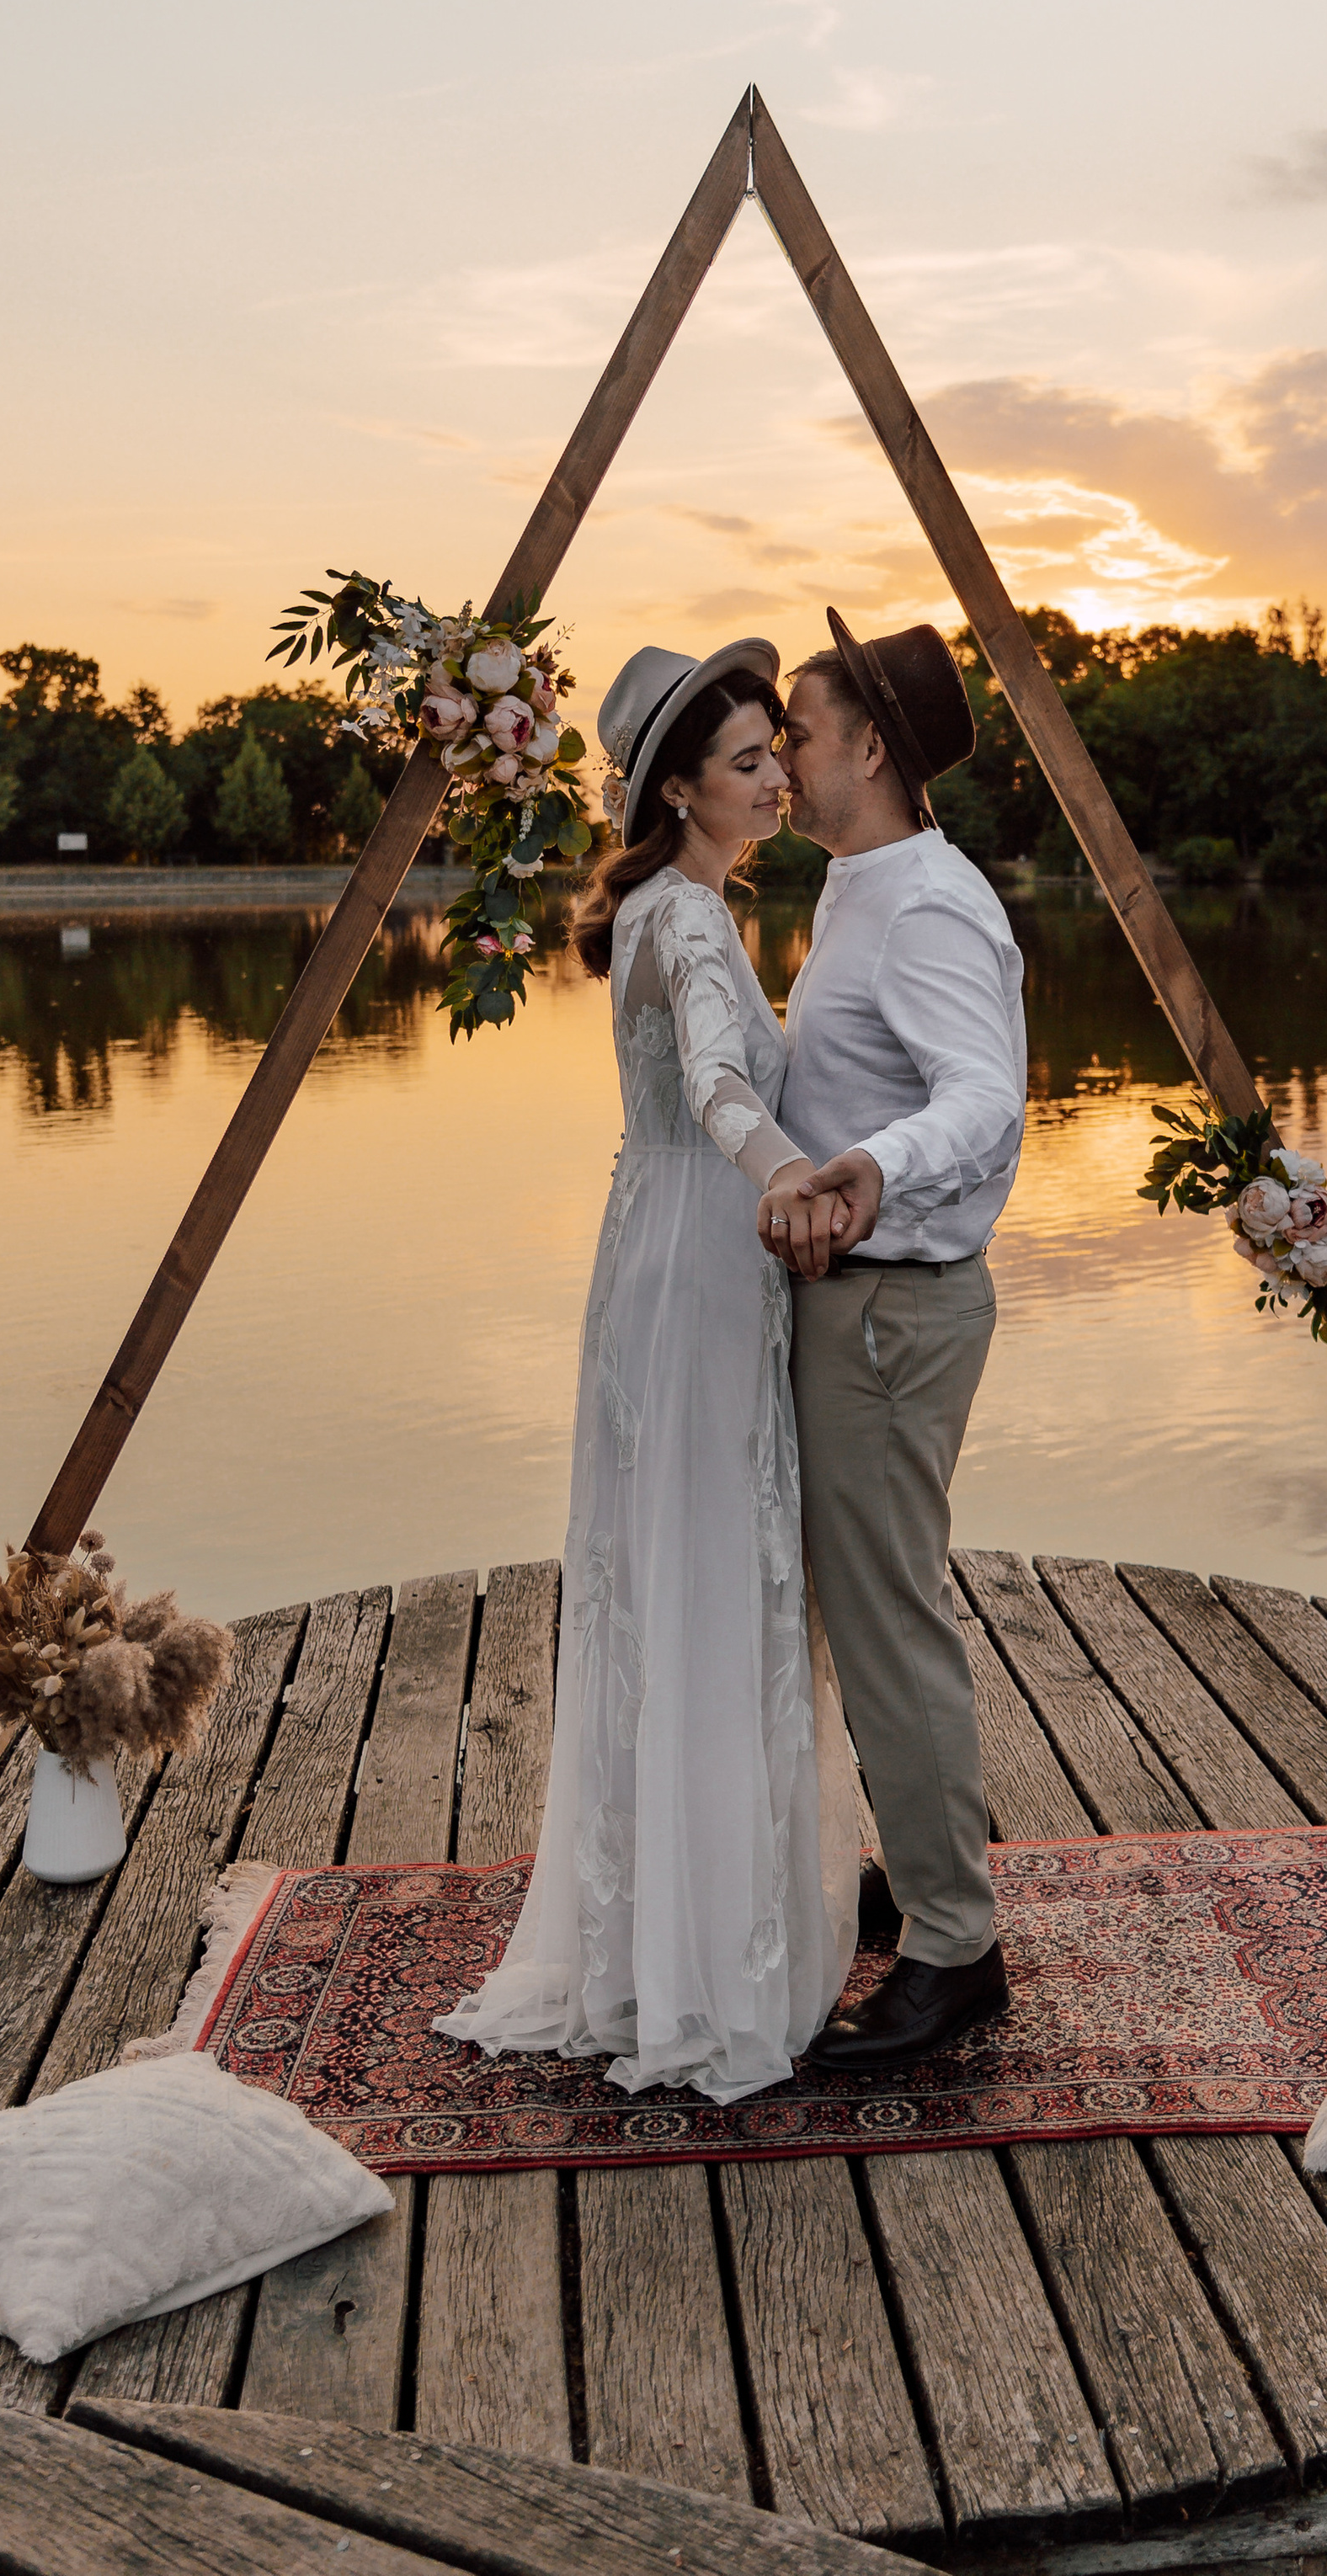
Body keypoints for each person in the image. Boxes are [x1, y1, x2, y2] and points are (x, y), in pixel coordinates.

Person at [436, 637, 860, 2103]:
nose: (775, 774)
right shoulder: (684, 925)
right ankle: (693, 1962)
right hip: (698, 1249)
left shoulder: (698, 911)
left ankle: (672, 1931)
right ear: (680, 788)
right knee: (697, 1569)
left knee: (684, 1564)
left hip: (670, 1243)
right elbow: (721, 1090)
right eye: (747, 759)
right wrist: (799, 1180)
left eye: (774, 753)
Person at [759, 614, 1028, 2070]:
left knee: (885, 1618)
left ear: (871, 749)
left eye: (800, 730)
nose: (785, 754)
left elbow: (984, 1099)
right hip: (866, 1303)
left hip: (890, 1308)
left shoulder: (921, 905)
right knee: (876, 1600)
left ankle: (955, 1953)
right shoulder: (865, 888)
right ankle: (932, 1862)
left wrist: (872, 1168)